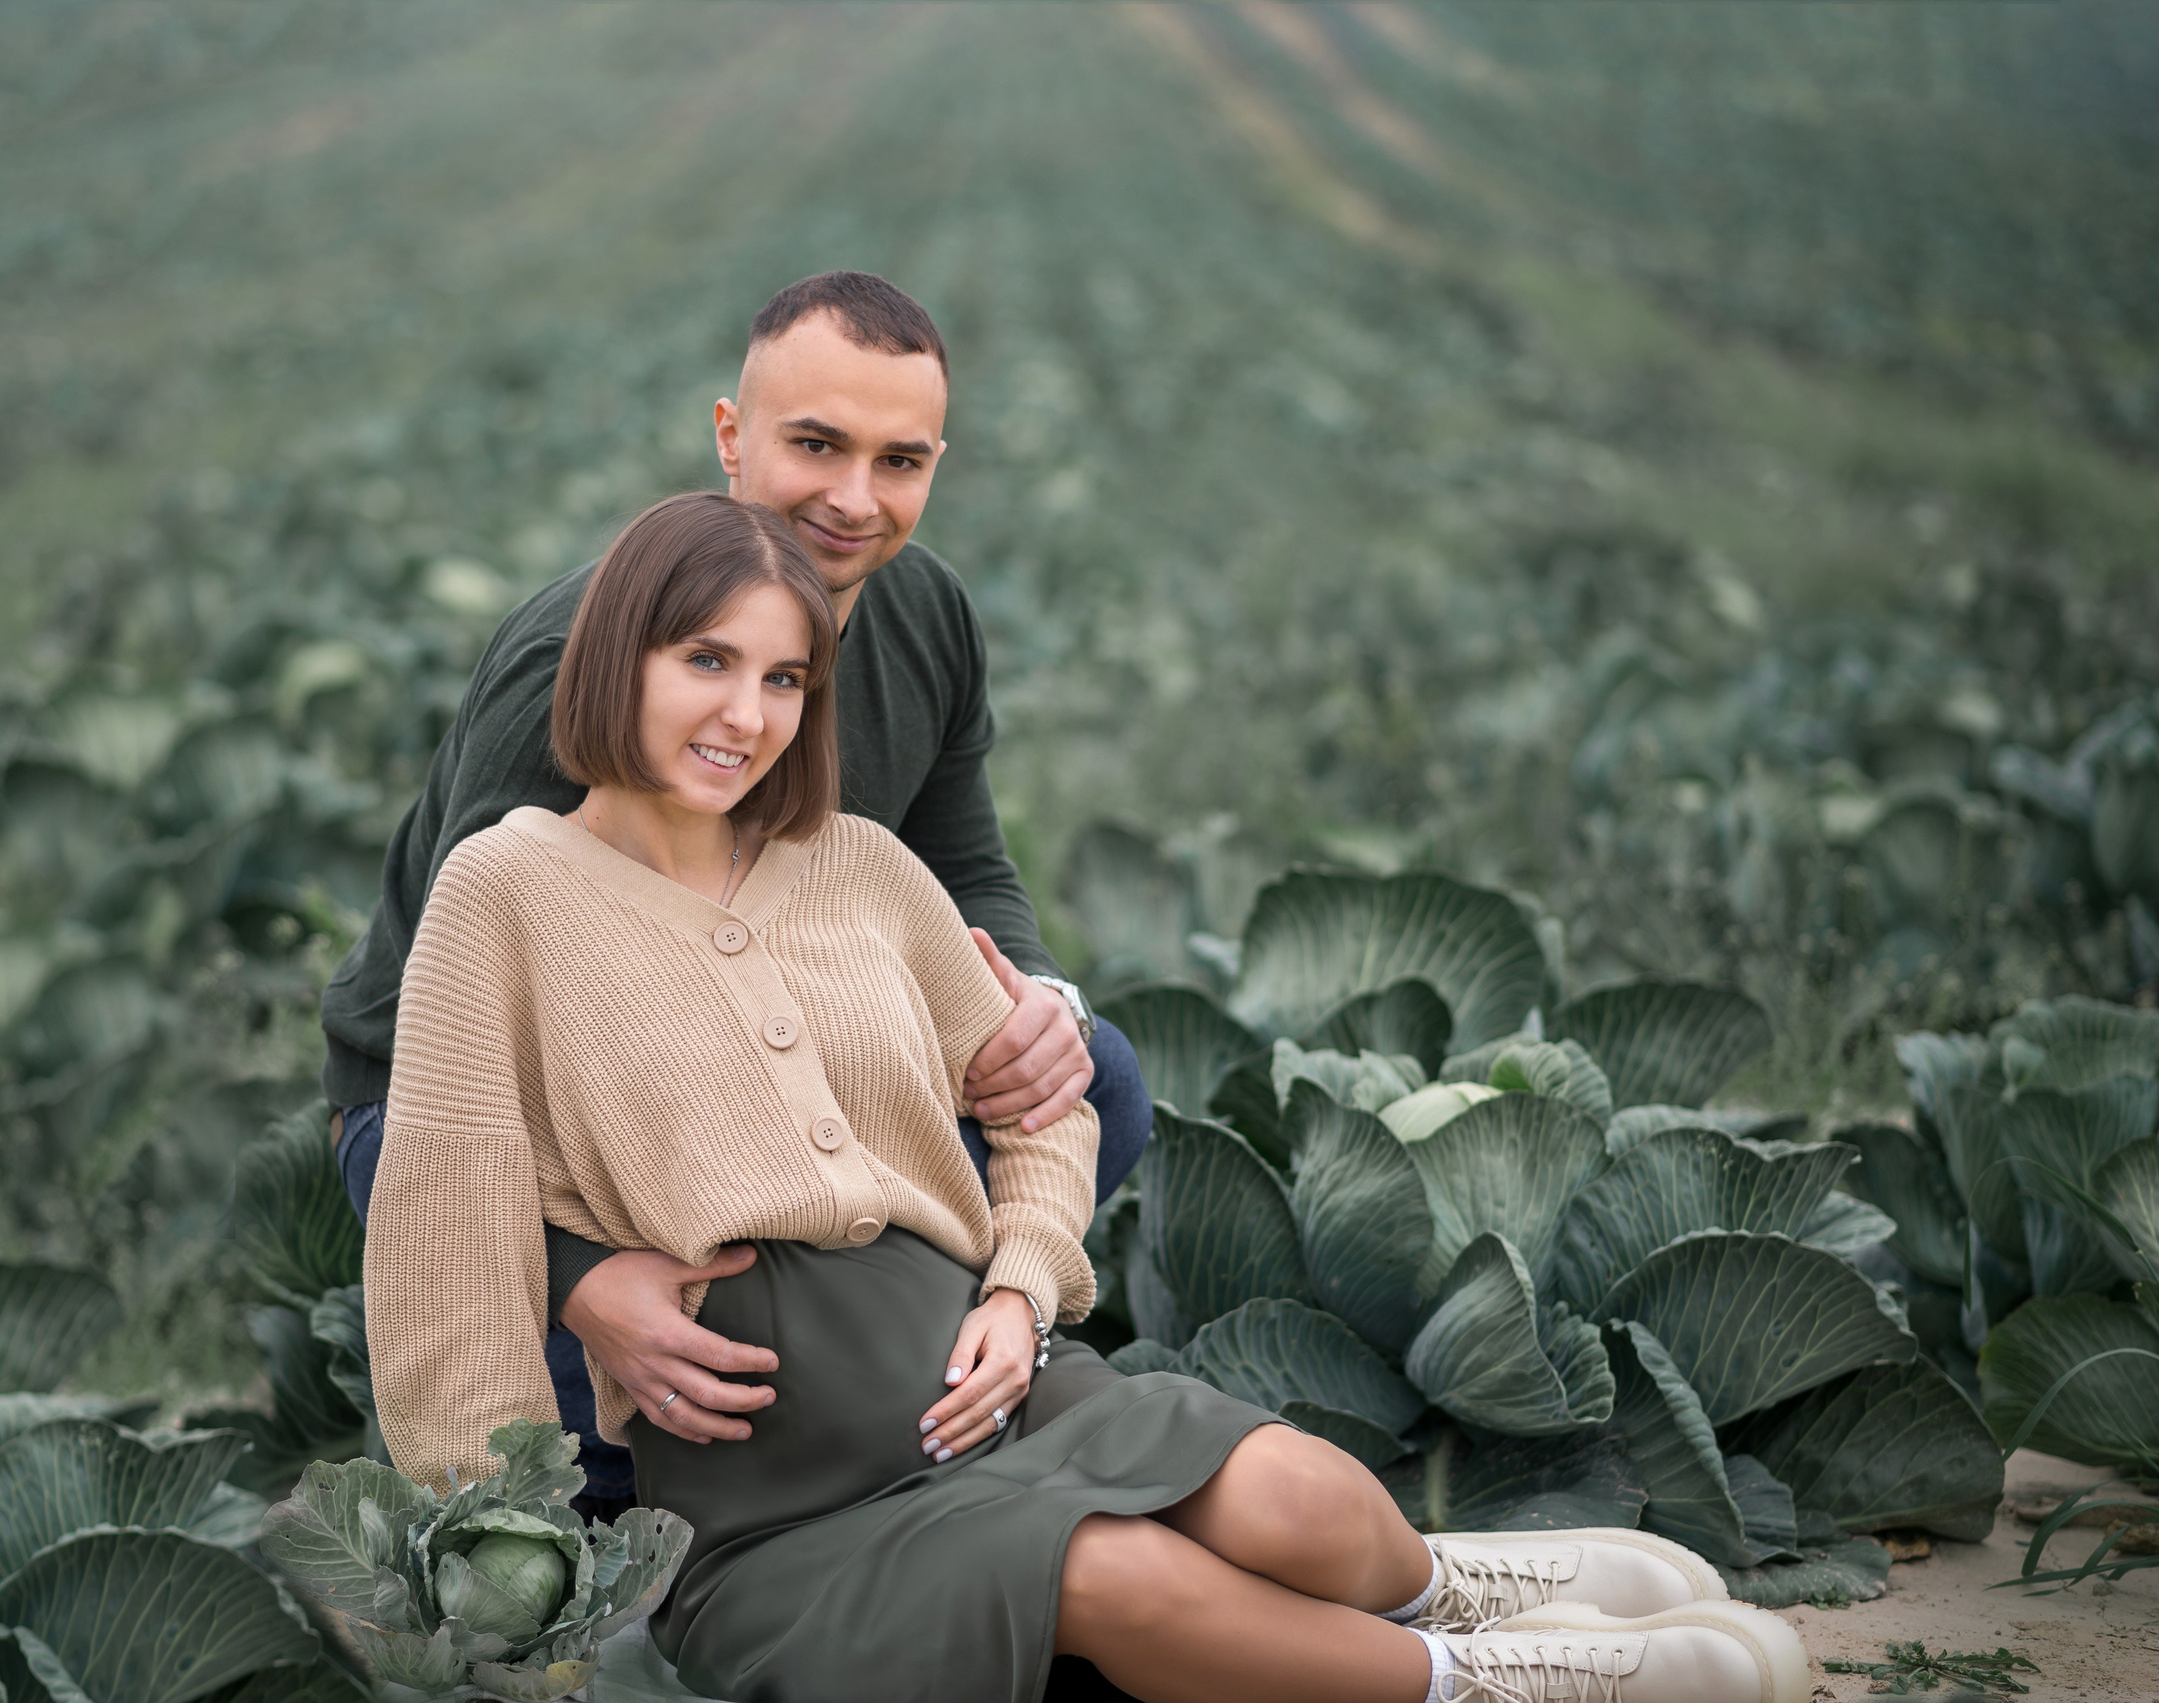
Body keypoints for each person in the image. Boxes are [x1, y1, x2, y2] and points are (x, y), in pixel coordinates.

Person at [365, 490, 1810, 1703]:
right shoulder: (507, 888)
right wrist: (495, 1530)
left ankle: (1459, 1586)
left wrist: (1022, 1281)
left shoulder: (859, 861)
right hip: (778, 1512)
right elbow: (442, 1220)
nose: (747, 713)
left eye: (786, 677)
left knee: (1297, 1496)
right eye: (707, 661)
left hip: (1001, 1396)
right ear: (619, 653)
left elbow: (1037, 1097)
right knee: (1123, 1575)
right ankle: (1488, 1681)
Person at [320, 272, 1153, 1512]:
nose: (853, 499)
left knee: (1100, 1073)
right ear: (731, 436)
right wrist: (575, 1273)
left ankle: (904, 1349)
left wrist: (1029, 993)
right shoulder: (581, 667)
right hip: (456, 1105)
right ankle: (649, 1444)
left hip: (755, 1034)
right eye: (814, 444)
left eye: (899, 459)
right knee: (608, 1438)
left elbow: (963, 858)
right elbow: (479, 1038)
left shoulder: (924, 612)